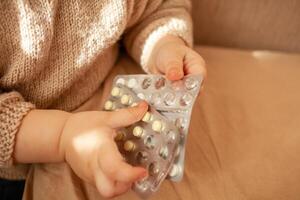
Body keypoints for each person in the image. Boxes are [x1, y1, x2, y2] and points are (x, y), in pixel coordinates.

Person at [0, 0, 206, 199]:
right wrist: (63, 136)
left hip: (107, 89)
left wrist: (164, 45)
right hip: (23, 142)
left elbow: (154, 8)